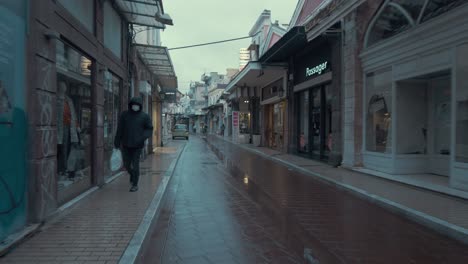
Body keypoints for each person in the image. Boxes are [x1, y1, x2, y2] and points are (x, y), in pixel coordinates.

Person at [114, 97, 153, 192]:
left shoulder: (145, 116)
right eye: (133, 104)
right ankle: (132, 174)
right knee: (127, 165)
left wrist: (143, 137)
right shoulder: (124, 115)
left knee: (135, 165)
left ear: (140, 106)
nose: (135, 106)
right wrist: (117, 142)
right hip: (126, 144)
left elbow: (149, 129)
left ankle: (135, 184)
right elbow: (120, 129)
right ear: (130, 105)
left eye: (137, 105)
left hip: (138, 145)